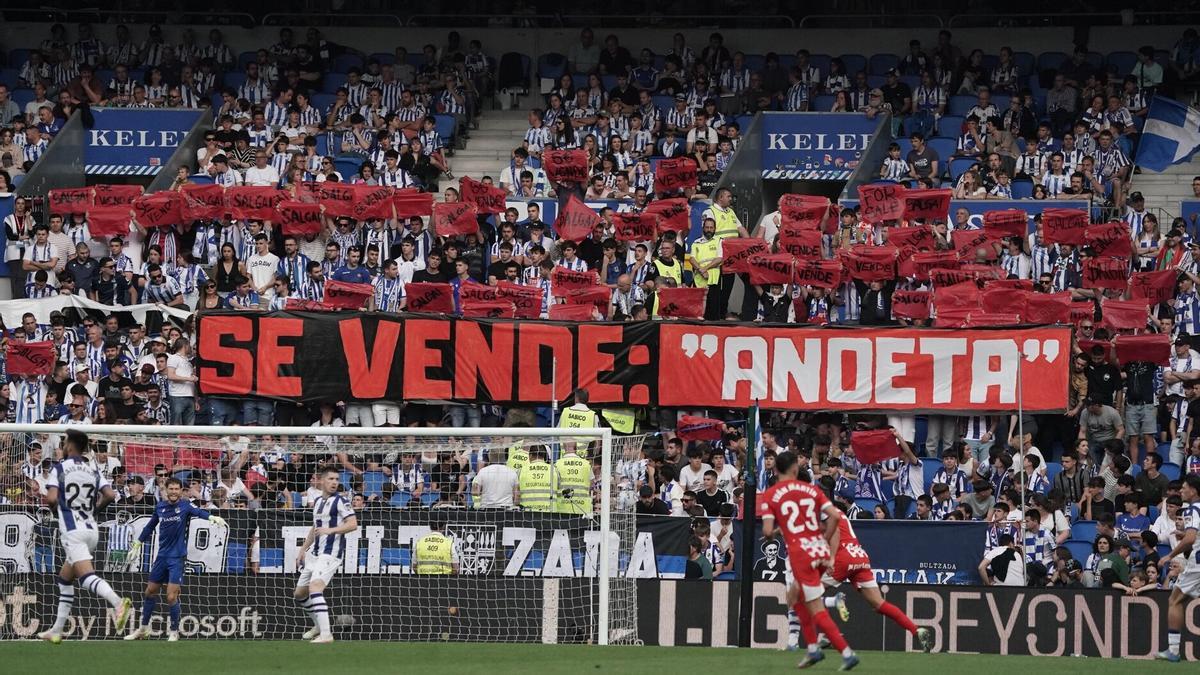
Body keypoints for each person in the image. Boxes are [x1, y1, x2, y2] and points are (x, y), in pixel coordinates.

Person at [759, 451, 858, 671]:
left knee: (812, 606)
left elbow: (766, 530)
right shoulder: (811, 489)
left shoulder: (771, 494)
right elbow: (835, 516)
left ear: (775, 470)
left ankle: (846, 653)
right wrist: (823, 540)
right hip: (819, 551)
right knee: (795, 597)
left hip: (801, 555)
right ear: (795, 469)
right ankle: (812, 648)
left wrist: (772, 534)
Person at [37, 429, 133, 643]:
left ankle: (118, 603)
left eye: (64, 443)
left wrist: (58, 511)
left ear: (70, 446)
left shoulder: (60, 468)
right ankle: (56, 630)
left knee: (86, 578)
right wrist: (94, 511)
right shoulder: (92, 470)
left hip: (73, 531)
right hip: (91, 529)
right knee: (65, 579)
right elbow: (110, 495)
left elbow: (51, 498)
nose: (63, 446)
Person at [819, 505, 933, 652]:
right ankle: (916, 630)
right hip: (859, 555)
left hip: (843, 557)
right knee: (879, 603)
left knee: (809, 594)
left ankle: (829, 633)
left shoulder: (820, 510)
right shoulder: (836, 511)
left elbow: (832, 533)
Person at [124, 477, 227, 641]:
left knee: (171, 596)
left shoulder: (185, 506)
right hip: (161, 557)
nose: (173, 492)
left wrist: (212, 518)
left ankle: (174, 631)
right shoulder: (160, 507)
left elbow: (199, 512)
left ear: (181, 491)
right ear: (166, 490)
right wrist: (137, 543)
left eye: (176, 489)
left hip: (177, 558)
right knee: (149, 592)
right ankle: (143, 629)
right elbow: (150, 526)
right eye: (170, 489)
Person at [293, 467, 358, 643]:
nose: (334, 482)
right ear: (321, 481)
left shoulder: (341, 501)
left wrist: (331, 530)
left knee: (315, 588)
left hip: (331, 554)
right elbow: (315, 528)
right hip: (315, 554)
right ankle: (318, 626)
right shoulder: (317, 502)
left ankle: (326, 634)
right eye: (331, 479)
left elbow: (353, 524)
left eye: (337, 479)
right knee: (299, 594)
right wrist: (303, 549)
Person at [1157, 474, 1200, 662]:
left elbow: (1190, 539)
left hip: (1197, 565)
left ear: (1193, 490)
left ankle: (1173, 650)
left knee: (1174, 599)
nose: (1181, 491)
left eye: (1184, 487)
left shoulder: (1192, 509)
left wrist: (1170, 555)